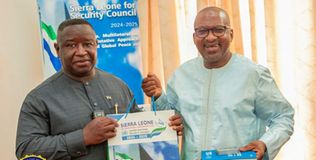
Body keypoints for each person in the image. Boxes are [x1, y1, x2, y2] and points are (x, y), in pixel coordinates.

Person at [16, 19, 183, 160]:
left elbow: (139, 133)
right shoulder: (39, 98)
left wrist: (167, 128)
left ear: (96, 45)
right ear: (57, 49)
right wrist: (82, 138)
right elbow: (25, 149)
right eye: (71, 45)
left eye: (87, 44)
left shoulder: (118, 85)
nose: (81, 52)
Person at [142, 6, 294, 160]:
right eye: (202, 31)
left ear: (231, 34)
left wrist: (265, 143)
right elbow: (174, 120)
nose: (210, 37)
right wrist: (159, 96)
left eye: (218, 29)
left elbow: (283, 116)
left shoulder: (253, 74)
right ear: (194, 37)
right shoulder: (182, 75)